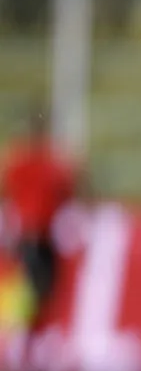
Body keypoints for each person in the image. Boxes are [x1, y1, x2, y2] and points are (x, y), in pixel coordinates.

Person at [0, 107, 78, 328]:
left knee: (30, 287)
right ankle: (25, 332)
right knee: (37, 288)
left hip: (28, 234)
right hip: (39, 234)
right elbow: (68, 191)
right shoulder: (51, 162)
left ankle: (24, 333)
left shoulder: (18, 161)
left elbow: (7, 194)